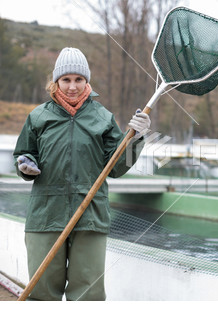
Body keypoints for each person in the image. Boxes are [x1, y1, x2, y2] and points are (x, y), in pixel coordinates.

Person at [13, 47, 151, 301]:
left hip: (90, 216)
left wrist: (136, 138)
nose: (72, 86)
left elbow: (117, 167)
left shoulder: (102, 117)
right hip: (45, 216)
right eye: (66, 79)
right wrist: (25, 164)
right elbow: (23, 153)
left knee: (88, 293)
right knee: (42, 292)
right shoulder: (38, 116)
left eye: (79, 79)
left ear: (87, 81)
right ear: (56, 81)